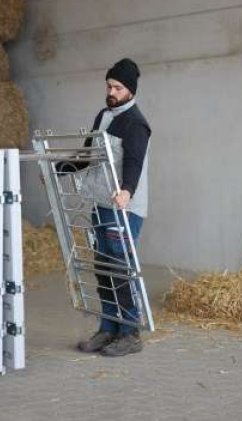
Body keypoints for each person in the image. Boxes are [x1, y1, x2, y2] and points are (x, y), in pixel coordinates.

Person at [73, 58, 151, 357]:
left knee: (120, 268)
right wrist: (58, 170)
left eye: (118, 87)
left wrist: (127, 191)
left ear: (130, 90)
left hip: (124, 207)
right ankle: (108, 329)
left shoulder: (136, 123)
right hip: (102, 202)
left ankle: (130, 333)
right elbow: (87, 154)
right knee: (103, 268)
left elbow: (134, 162)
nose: (112, 91)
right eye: (109, 85)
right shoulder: (103, 116)